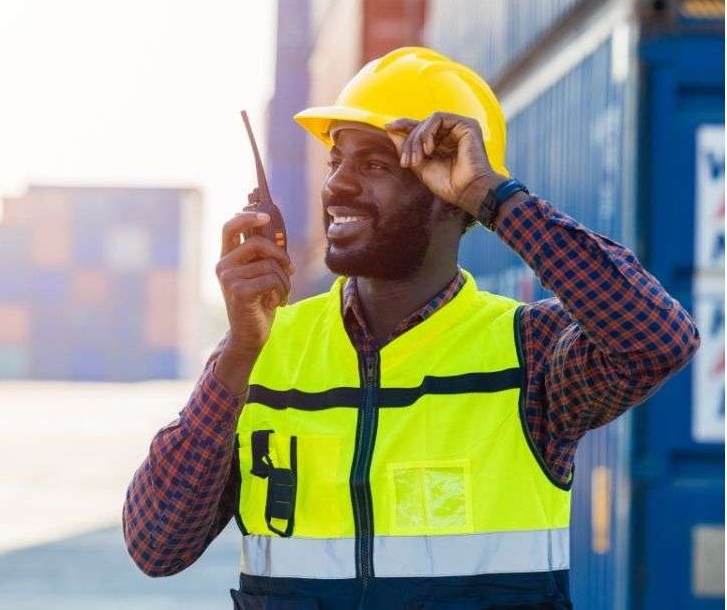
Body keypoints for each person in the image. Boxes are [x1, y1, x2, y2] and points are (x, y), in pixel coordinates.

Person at [122, 47, 699, 609]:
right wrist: (236, 355)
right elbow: (156, 546)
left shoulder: (528, 356)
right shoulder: (263, 350)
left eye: (373, 165)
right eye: (336, 161)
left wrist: (495, 198)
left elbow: (656, 339)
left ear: (449, 196)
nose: (336, 187)